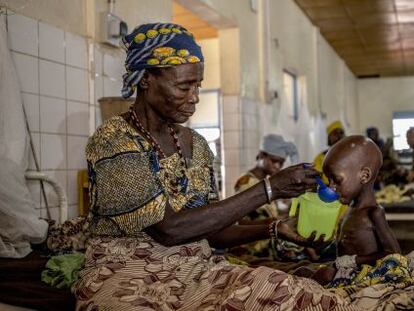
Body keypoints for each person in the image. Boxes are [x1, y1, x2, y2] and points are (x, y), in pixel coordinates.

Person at [72, 23, 355, 310]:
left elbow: (213, 230)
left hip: (194, 267)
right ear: (146, 79)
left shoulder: (196, 145)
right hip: (130, 271)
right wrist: (269, 189)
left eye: (198, 85)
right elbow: (169, 229)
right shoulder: (115, 141)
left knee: (289, 292)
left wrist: (275, 226)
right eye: (184, 86)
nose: (195, 97)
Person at [308, 136, 410, 287]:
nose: (331, 187)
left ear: (364, 176)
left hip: (363, 276)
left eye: (336, 180)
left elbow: (394, 255)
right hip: (344, 270)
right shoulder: (349, 209)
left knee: (322, 277)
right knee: (306, 272)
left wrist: (353, 261)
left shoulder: (374, 213)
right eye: (329, 181)